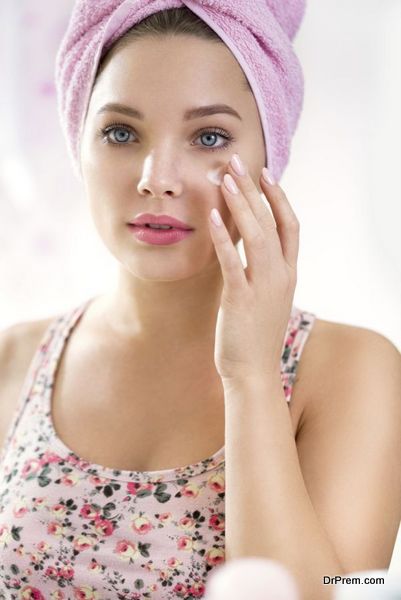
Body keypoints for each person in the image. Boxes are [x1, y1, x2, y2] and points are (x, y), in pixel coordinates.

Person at [0, 3, 400, 600]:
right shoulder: (15, 358)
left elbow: (332, 592)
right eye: (120, 132)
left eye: (209, 137)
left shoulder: (354, 371)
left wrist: (252, 377)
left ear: (270, 157)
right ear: (77, 146)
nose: (156, 176)